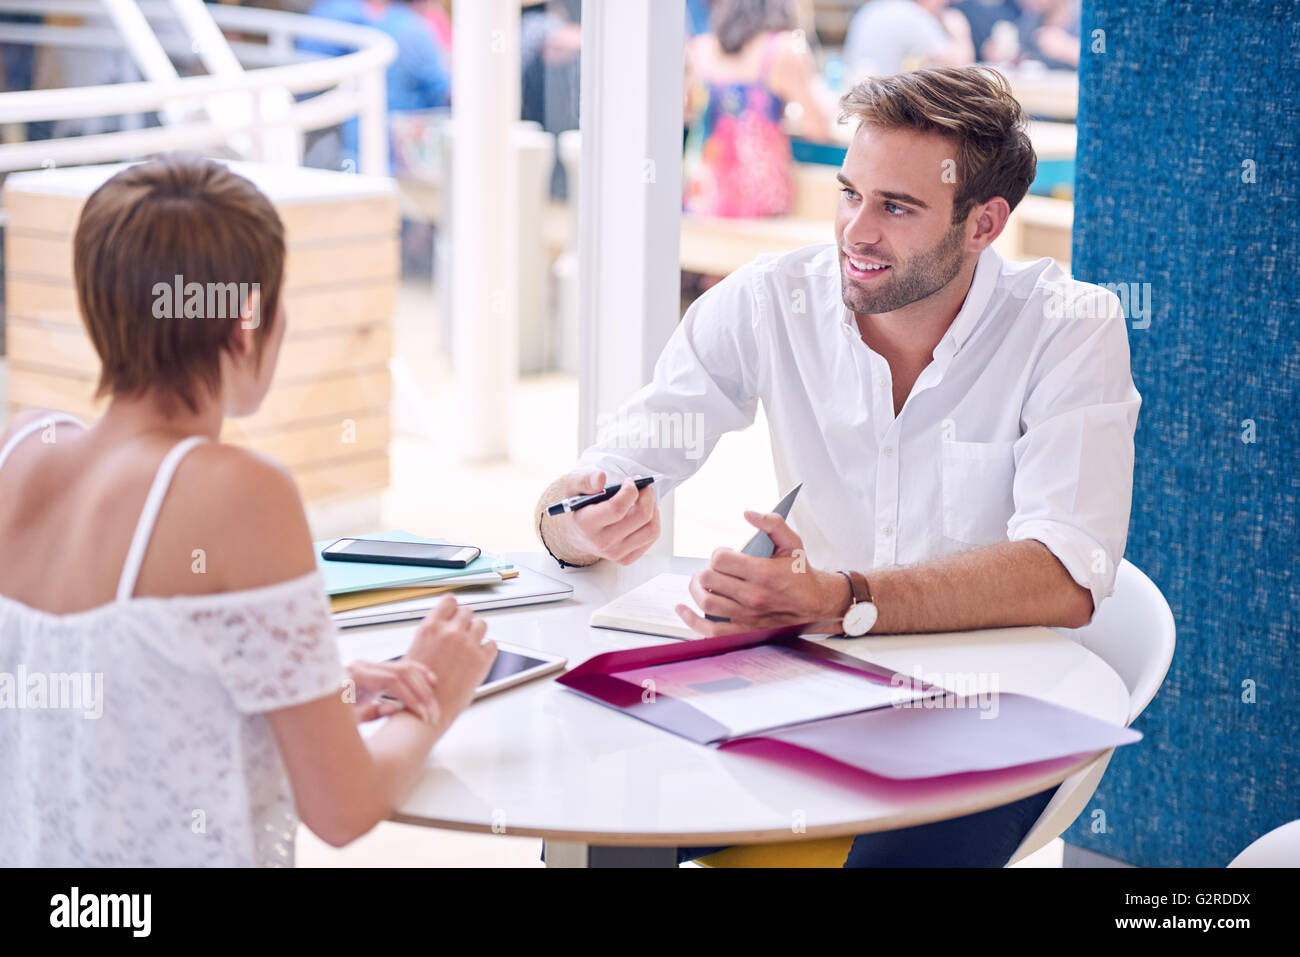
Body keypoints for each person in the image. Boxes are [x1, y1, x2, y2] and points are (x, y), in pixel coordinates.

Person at [534, 66, 1140, 866]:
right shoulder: (768, 301)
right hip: (806, 689)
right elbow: (605, 472)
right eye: (849, 192)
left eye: (896, 206)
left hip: (990, 710)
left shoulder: (1068, 328)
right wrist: (575, 520)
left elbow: (1065, 576)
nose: (856, 230)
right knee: (594, 811)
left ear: (983, 223)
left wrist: (843, 598)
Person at [0, 156, 497, 866]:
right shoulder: (237, 492)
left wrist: (318, 688)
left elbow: (108, 684)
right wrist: (436, 701)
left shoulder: (21, 449)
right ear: (244, 326)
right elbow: (343, 806)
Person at [683, 0, 834, 218]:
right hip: (761, 196)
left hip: (702, 194)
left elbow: (688, 112)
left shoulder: (701, 49)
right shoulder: (783, 49)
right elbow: (818, 129)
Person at [299, 0, 451, 171]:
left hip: (352, 147)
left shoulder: (370, 24)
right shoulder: (415, 32)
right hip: (393, 156)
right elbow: (444, 92)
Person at [844, 0, 976, 83]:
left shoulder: (871, 8)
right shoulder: (913, 15)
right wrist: (960, 32)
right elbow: (961, 65)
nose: (946, 3)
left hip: (859, 96)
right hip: (884, 106)